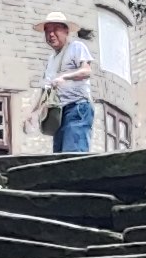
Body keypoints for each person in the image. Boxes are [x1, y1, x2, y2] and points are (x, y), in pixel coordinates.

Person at [35, 13, 100, 155]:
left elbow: (86, 71)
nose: (51, 34)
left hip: (77, 107)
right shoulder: (51, 60)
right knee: (59, 157)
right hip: (58, 113)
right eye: (47, 31)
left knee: (73, 155)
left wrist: (65, 76)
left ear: (66, 31)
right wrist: (32, 112)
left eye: (56, 29)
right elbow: (45, 91)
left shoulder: (76, 47)